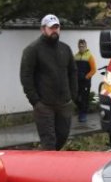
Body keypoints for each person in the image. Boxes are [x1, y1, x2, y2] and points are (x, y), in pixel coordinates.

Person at [20, 14, 78, 150]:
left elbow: (73, 72)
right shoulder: (33, 50)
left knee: (62, 137)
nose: (54, 30)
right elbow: (26, 76)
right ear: (43, 29)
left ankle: (47, 164)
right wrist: (35, 101)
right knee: (49, 142)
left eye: (57, 27)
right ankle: (49, 168)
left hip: (64, 104)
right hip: (44, 105)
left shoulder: (65, 49)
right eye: (51, 28)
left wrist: (73, 96)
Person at [74, 38, 97, 123]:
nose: (81, 47)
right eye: (80, 46)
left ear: (86, 46)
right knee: (76, 97)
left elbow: (94, 70)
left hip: (85, 82)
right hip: (77, 82)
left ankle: (83, 114)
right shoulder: (75, 56)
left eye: (83, 46)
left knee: (84, 98)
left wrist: (86, 77)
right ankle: (80, 111)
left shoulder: (90, 56)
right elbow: (73, 69)